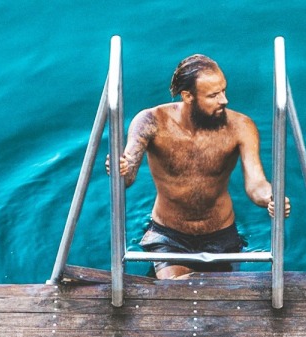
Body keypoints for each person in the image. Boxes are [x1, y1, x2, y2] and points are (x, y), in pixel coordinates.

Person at [116, 54, 288, 279]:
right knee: (175, 290)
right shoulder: (152, 122)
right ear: (188, 96)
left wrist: (271, 198)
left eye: (224, 91)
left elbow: (256, 184)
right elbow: (127, 178)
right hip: (168, 235)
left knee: (220, 295)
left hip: (221, 234)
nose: (224, 100)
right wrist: (120, 169)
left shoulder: (241, 126)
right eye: (214, 95)